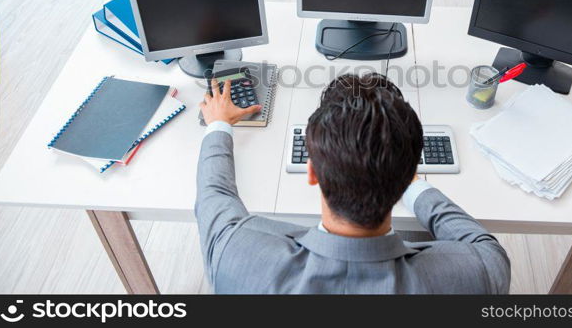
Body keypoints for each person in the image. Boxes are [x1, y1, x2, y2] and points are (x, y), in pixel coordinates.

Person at [196, 73, 510, 294]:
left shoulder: (235, 252)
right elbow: (482, 244)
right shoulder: (479, 274)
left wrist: (219, 123)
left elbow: (214, 193)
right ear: (408, 175)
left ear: (312, 172)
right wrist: (407, 178)